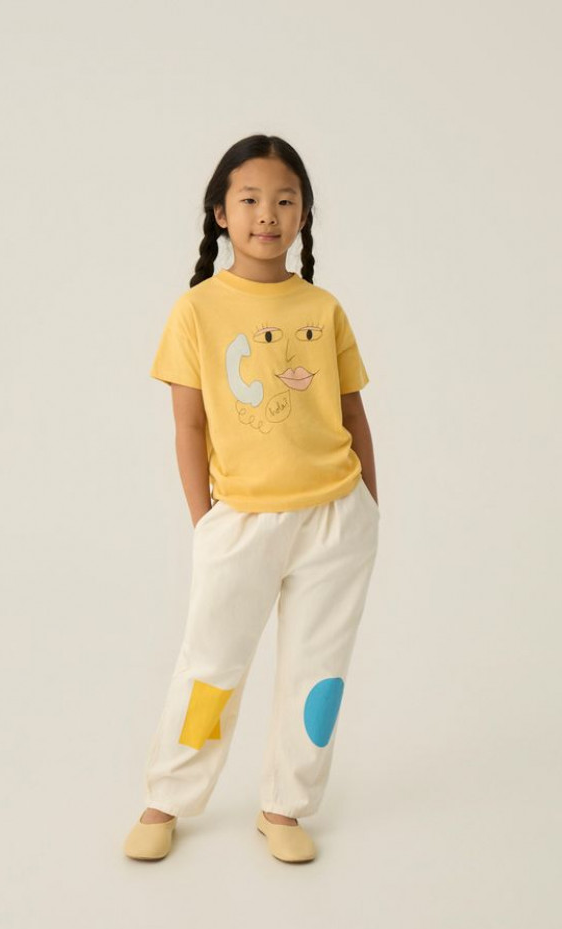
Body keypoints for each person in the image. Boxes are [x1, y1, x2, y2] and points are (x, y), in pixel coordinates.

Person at [124, 134, 380, 864]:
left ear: (303, 215)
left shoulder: (324, 307)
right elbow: (189, 424)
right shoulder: (197, 311)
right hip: (241, 522)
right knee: (211, 666)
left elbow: (353, 411)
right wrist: (206, 521)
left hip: (335, 519)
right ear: (221, 213)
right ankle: (166, 799)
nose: (267, 213)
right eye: (250, 199)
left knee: (318, 672)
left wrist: (368, 505)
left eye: (284, 200)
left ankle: (285, 807)